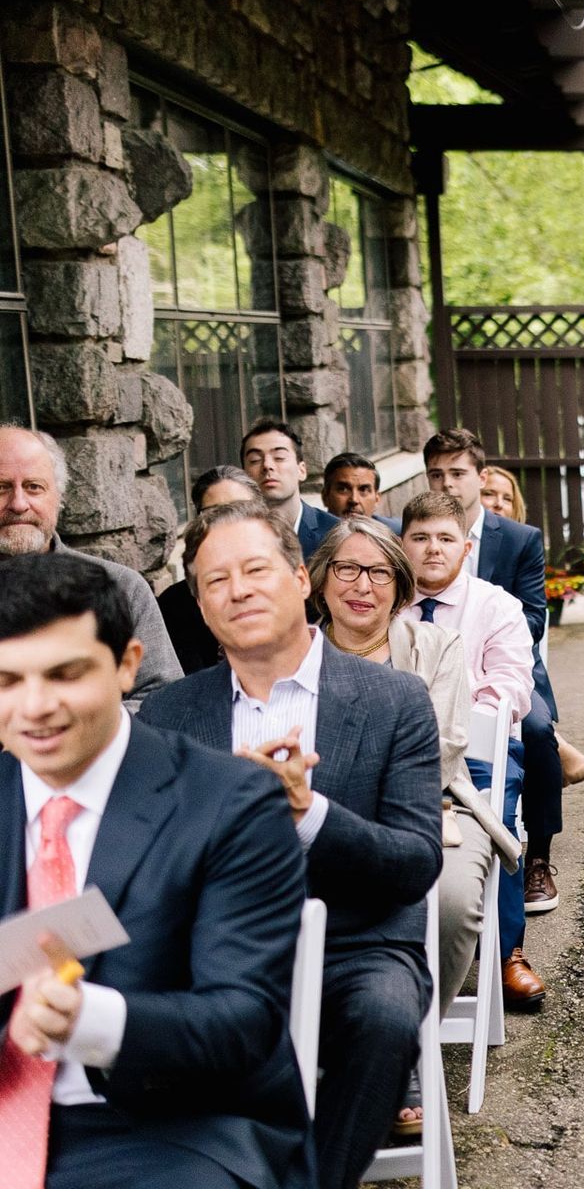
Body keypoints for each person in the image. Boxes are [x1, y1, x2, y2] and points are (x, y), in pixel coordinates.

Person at [137, 502, 442, 1189]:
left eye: (254, 569)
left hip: (356, 946)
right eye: (214, 581)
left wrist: (306, 812)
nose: (237, 590)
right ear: (200, 605)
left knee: (385, 1019)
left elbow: (416, 861)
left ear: (301, 577)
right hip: (212, 956)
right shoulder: (167, 715)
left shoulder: (395, 699)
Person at [0, 553, 312, 1189]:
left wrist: (90, 1020)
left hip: (172, 1131)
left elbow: (242, 1022)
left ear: (126, 665)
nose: (34, 707)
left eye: (64, 675)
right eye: (7, 680)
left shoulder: (229, 804)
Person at [309, 517, 522, 1011]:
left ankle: (408, 1038)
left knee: (448, 903)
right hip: (316, 815)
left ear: (399, 585)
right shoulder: (296, 652)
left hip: (435, 807)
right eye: (346, 569)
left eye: (381, 573)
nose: (363, 585)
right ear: (320, 579)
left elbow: (442, 748)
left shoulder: (436, 646)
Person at [425, 428, 584, 915]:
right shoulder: (415, 533)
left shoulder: (518, 538)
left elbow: (534, 615)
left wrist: (485, 629)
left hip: (506, 661)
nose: (446, 485)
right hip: (433, 661)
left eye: (457, 473)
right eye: (435, 474)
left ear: (480, 477)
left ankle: (538, 856)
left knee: (538, 729)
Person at [399, 491, 549, 1012]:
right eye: (420, 538)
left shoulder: (495, 605)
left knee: (493, 821)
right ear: (403, 544)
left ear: (466, 548)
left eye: (445, 539)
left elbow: (511, 686)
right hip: (396, 752)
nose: (432, 549)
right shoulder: (385, 605)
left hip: (476, 752)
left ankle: (507, 952)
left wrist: (451, 722)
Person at [0, 424, 181, 702]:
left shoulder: (120, 586)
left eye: (34, 487)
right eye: (1, 488)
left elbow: (164, 699)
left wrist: (83, 733)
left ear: (59, 498)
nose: (19, 504)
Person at [157, 465, 263, 674]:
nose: (227, 522)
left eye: (239, 509)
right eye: (214, 512)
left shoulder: (289, 586)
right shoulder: (174, 604)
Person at [241, 418, 339, 559]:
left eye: (279, 457)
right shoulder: (236, 537)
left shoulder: (334, 534)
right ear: (243, 476)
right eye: (255, 460)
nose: (267, 465)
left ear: (302, 470)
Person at [321, 451, 400, 531]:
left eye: (363, 490)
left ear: (377, 499)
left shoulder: (398, 533)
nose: (354, 500)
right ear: (325, 497)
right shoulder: (312, 539)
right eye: (343, 489)